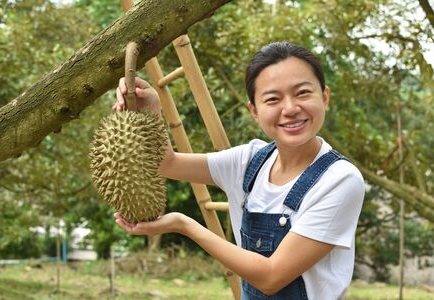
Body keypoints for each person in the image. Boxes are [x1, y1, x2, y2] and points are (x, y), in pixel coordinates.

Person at [113, 41, 365, 300]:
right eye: (273, 99)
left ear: (324, 97)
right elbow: (167, 164)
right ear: (254, 111)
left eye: (302, 93)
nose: (290, 109)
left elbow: (271, 277)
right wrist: (153, 110)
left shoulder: (340, 180)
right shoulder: (249, 161)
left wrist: (184, 225)